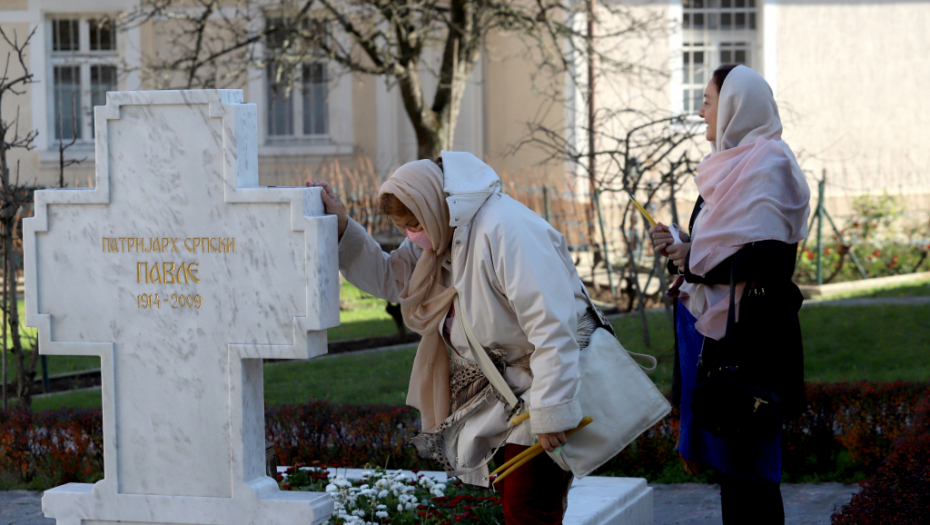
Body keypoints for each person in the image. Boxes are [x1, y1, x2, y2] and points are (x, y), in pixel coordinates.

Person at [309, 151, 613, 524]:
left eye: (414, 223)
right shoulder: (444, 231)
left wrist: (553, 410)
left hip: (539, 387)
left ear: (435, 203)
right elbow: (394, 279)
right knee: (520, 507)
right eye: (403, 226)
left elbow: (552, 324)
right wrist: (342, 227)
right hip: (501, 397)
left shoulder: (506, 229)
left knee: (528, 509)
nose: (411, 234)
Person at [649, 65, 810, 525]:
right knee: (732, 474)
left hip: (755, 339)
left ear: (736, 105)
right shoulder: (722, 169)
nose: (700, 111)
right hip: (719, 337)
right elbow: (719, 247)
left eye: (708, 100)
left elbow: (770, 257)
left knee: (753, 476)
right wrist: (682, 247)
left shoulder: (769, 165)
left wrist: (693, 263)